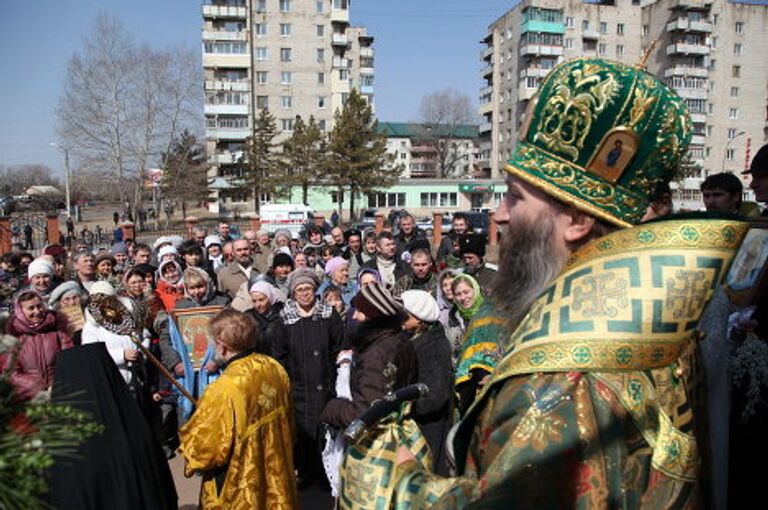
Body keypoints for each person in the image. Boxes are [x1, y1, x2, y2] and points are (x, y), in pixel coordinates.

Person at [339, 58, 745, 507]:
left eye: (516, 195)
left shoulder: (557, 379)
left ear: (575, 219)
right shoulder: (658, 323)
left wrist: (384, 473)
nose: (498, 214)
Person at [179, 308, 297, 509]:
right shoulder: (273, 366)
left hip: (239, 483)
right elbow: (290, 422)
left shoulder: (222, 388)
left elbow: (205, 451)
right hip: (276, 470)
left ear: (222, 346)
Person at [274, 268, 345, 492]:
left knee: (326, 432)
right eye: (300, 290)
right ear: (293, 293)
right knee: (302, 432)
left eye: (309, 289)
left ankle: (327, 473)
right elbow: (279, 354)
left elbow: (339, 347)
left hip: (326, 385)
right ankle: (304, 472)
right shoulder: (285, 319)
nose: (305, 294)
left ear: (315, 291)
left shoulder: (328, 315)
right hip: (298, 387)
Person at [321, 282, 416, 429]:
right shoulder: (399, 338)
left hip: (379, 441)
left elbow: (366, 414)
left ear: (372, 316)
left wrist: (332, 408)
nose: (354, 315)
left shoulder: (377, 354)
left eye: (359, 311)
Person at [400, 290, 454, 476]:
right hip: (418, 424)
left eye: (405, 314)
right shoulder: (415, 339)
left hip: (430, 426)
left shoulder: (434, 346)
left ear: (420, 318)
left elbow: (436, 395)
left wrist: (409, 408)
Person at [3, 289, 74, 400]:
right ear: (20, 311)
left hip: (60, 391)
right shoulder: (15, 338)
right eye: (31, 308)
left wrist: (56, 384)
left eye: (39, 306)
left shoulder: (58, 332)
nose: (37, 311)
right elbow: (11, 372)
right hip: (30, 397)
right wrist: (34, 387)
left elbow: (70, 360)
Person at [246, 280, 286, 356]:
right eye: (254, 301)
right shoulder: (248, 317)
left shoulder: (283, 313)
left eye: (261, 300)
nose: (258, 305)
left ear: (270, 298)